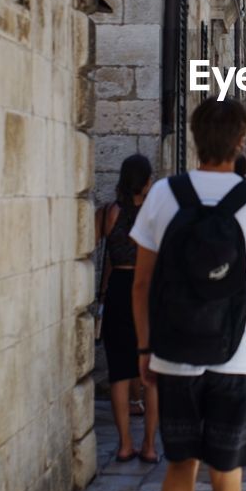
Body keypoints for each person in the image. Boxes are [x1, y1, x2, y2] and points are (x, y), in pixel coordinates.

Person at [132, 99, 246, 491]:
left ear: (195, 137)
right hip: (234, 358)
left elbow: (142, 284)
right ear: (241, 141)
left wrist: (145, 348)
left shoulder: (164, 195)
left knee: (180, 467)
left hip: (172, 353)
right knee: (227, 476)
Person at [99, 154, 160, 463]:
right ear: (147, 181)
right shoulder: (153, 215)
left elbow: (106, 253)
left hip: (119, 290)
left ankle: (124, 444)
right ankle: (149, 446)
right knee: (149, 373)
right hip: (147, 291)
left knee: (119, 373)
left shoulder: (111, 212)